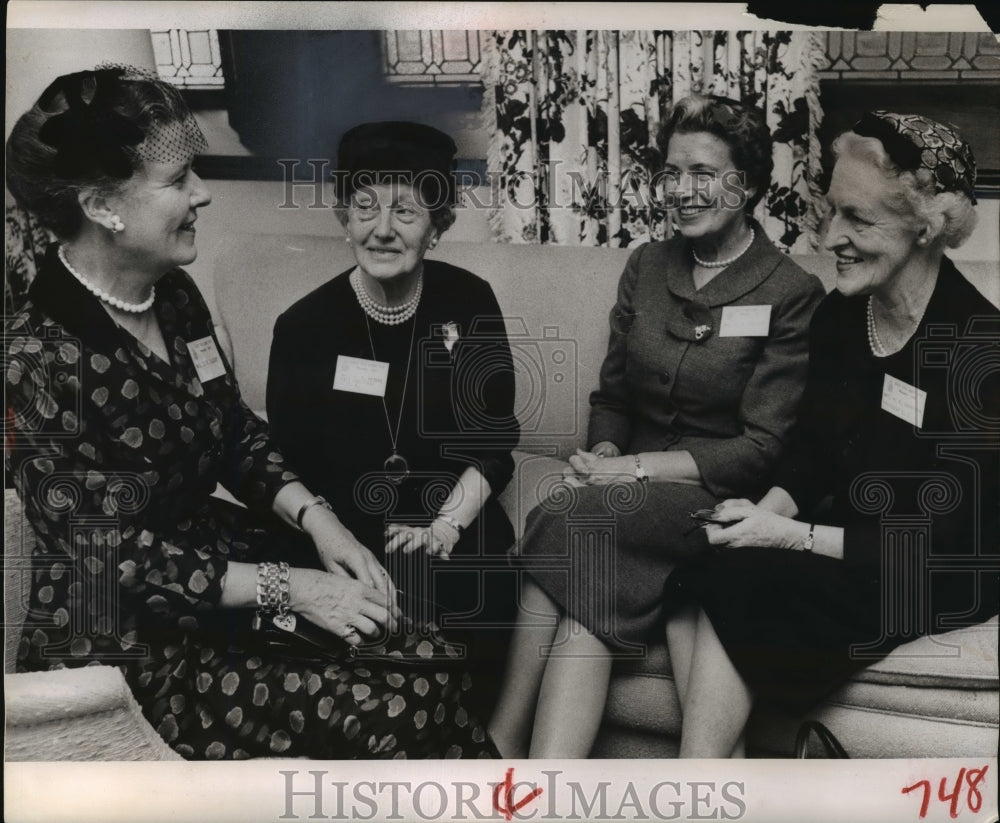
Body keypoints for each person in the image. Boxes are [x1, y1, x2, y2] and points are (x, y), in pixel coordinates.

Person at [4, 65, 496, 759]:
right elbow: (108, 554)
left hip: (225, 568)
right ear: (102, 205)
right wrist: (294, 587)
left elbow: (233, 429)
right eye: (177, 183)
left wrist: (322, 524)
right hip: (130, 637)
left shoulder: (172, 295)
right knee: (404, 702)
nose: (202, 194)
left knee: (429, 652)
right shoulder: (34, 358)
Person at [488, 94, 826, 758]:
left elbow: (761, 450)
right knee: (588, 590)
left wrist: (629, 468)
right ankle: (547, 778)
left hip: (712, 498)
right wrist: (607, 446)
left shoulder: (790, 292)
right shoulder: (646, 266)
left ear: (749, 183)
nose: (681, 190)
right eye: (671, 172)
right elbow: (612, 394)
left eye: (702, 172)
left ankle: (500, 738)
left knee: (568, 515)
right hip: (625, 501)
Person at [663, 111, 1000, 757]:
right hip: (846, 538)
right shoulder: (841, 315)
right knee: (699, 568)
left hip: (931, 566)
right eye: (831, 212)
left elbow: (937, 539)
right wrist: (761, 518)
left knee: (741, 583)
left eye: (858, 218)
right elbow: (813, 453)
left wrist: (786, 534)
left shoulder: (979, 349)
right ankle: (716, 777)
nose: (830, 236)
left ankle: (694, 782)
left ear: (926, 225)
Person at [266, 121, 520, 716]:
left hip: (449, 525)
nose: (382, 229)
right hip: (342, 537)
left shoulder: (470, 301)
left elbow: (495, 444)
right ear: (342, 217)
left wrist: (446, 527)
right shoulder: (303, 327)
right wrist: (342, 543)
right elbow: (281, 463)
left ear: (438, 225)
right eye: (365, 207)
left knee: (476, 596)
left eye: (406, 211)